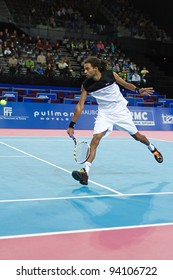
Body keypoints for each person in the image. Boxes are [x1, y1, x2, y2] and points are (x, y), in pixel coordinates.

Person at [66, 56, 163, 186]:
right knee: (95, 140)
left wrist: (139, 90)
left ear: (95, 68)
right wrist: (72, 124)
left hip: (120, 111)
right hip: (104, 113)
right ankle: (85, 172)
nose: (85, 71)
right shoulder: (86, 85)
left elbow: (125, 84)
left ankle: (152, 148)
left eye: (87, 69)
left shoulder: (110, 75)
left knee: (137, 137)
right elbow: (80, 105)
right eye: (84, 69)